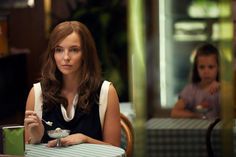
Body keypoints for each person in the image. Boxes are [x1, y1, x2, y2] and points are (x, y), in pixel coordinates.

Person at [24, 21, 121, 147]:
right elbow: (26, 150)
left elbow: (115, 150)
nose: (66, 57)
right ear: (52, 54)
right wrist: (36, 137)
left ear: (86, 54)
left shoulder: (106, 91)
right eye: (59, 50)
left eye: (74, 50)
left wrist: (85, 139)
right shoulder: (37, 93)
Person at [171, 43, 220, 119]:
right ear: (196, 69)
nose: (206, 71)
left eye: (211, 67)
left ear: (219, 68)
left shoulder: (224, 88)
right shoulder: (191, 90)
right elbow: (175, 112)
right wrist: (196, 116)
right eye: (202, 67)